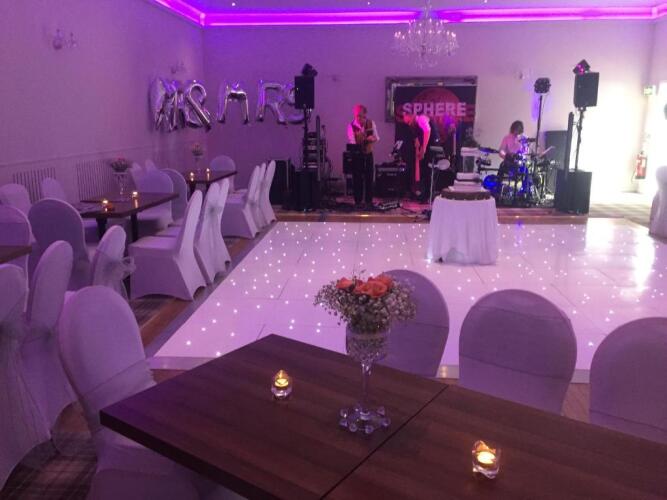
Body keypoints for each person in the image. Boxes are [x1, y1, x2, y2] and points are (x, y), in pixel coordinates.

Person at [347, 104, 379, 208]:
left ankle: (368, 201)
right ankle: (358, 201)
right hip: (357, 155)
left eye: (362, 116)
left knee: (369, 177)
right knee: (357, 178)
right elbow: (352, 142)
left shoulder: (371, 123)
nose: (360, 119)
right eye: (358, 116)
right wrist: (363, 139)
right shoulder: (351, 126)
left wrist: (372, 139)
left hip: (368, 154)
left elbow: (377, 137)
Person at [402, 111, 437, 202]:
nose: (409, 124)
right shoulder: (414, 127)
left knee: (428, 171)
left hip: (432, 147)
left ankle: (428, 196)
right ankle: (424, 194)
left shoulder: (421, 119)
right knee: (424, 171)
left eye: (409, 121)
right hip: (427, 148)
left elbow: (427, 131)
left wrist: (424, 148)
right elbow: (418, 138)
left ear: (412, 116)